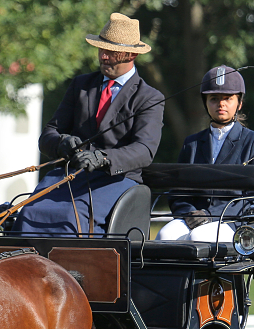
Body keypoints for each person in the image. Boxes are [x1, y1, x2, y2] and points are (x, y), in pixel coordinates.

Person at [11, 13, 164, 235]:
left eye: (110, 52)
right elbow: (49, 135)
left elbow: (144, 150)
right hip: (71, 174)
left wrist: (103, 158)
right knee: (29, 212)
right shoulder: (81, 85)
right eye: (101, 50)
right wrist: (62, 143)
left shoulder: (148, 97)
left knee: (68, 217)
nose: (102, 56)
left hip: (116, 180)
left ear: (131, 54)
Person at [156, 65, 254, 241]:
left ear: (239, 103)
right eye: (214, 98)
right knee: (165, 235)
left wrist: (210, 214)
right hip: (193, 218)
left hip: (233, 221)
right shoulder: (192, 143)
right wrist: (189, 213)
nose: (221, 104)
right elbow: (178, 192)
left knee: (199, 237)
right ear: (205, 102)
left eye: (228, 98)